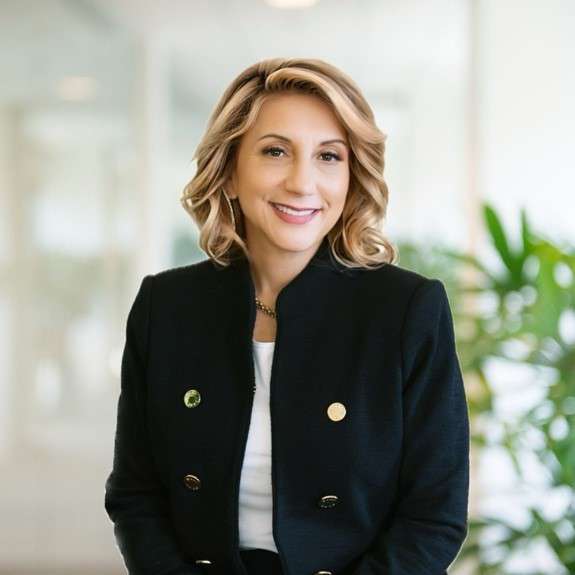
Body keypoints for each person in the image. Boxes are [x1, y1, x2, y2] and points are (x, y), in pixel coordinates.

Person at [104, 57, 470, 575]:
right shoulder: (165, 306)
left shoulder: (408, 310)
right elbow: (135, 495)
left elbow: (434, 517)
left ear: (351, 178)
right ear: (229, 171)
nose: (302, 182)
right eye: (275, 151)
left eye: (328, 156)